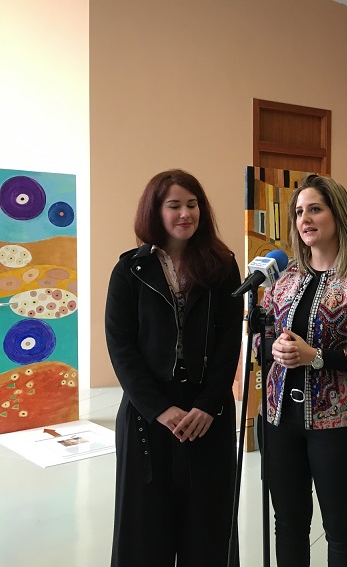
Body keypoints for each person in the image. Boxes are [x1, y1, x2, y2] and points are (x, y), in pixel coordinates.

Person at [105, 170, 243, 566]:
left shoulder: (222, 266)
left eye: (192, 204)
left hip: (206, 412)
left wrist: (209, 404)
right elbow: (121, 347)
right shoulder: (129, 271)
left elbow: (229, 341)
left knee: (208, 526)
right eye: (174, 205)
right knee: (144, 529)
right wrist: (159, 409)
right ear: (155, 211)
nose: (186, 214)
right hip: (148, 415)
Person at [260, 173, 347, 567]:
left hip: (340, 424)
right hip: (278, 419)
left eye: (315, 209)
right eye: (299, 212)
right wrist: (274, 347)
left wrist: (316, 356)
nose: (305, 219)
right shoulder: (283, 277)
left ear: (338, 215)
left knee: (340, 527)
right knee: (288, 523)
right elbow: (258, 336)